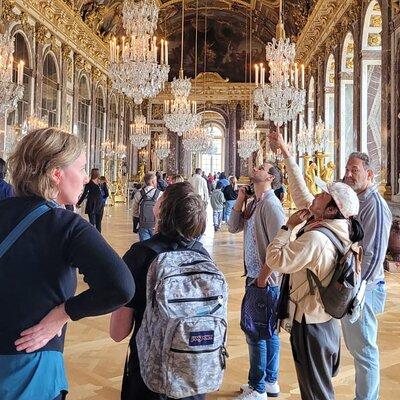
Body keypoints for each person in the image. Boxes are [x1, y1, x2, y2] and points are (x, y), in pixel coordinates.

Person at [0, 128, 134, 400]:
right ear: (56, 173)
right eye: (82, 168)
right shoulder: (66, 225)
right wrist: (65, 312)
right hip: (28, 368)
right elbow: (121, 287)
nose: (86, 178)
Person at [259, 131, 363, 400]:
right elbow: (300, 191)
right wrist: (285, 151)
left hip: (310, 324)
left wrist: (287, 227)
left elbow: (275, 260)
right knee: (317, 388)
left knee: (316, 393)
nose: (315, 195)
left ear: (330, 210)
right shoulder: (337, 225)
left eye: (322, 195)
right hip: (325, 322)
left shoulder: (317, 238)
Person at [110, 182, 209, 400]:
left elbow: (117, 333)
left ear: (162, 210)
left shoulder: (140, 256)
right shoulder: (203, 256)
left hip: (150, 374)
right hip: (195, 372)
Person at [228, 162, 286, 400]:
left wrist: (262, 279)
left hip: (265, 279)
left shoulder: (272, 205)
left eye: (262, 167)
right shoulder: (255, 203)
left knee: (256, 333)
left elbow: (279, 246)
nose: (255, 167)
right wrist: (241, 198)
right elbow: (232, 227)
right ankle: (270, 382)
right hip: (255, 276)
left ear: (270, 178)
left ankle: (258, 387)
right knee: (268, 331)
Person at [342, 152, 392, 400]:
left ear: (369, 174)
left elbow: (373, 254)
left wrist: (357, 292)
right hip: (353, 286)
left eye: (354, 170)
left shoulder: (375, 204)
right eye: (347, 170)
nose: (348, 174)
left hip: (365, 289)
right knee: (356, 346)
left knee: (364, 350)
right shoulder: (355, 200)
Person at [131, 172, 162, 241]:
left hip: (143, 224)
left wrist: (137, 222)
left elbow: (134, 210)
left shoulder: (139, 193)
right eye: (156, 181)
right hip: (156, 225)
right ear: (153, 181)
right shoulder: (160, 194)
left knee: (145, 246)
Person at [76, 168, 104, 232]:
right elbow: (106, 193)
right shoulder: (101, 183)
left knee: (92, 223)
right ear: (98, 174)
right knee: (98, 223)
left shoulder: (89, 183)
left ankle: (93, 237)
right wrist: (101, 199)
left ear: (92, 174)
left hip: (92, 204)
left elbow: (84, 194)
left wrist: (78, 203)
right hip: (100, 204)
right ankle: (98, 238)